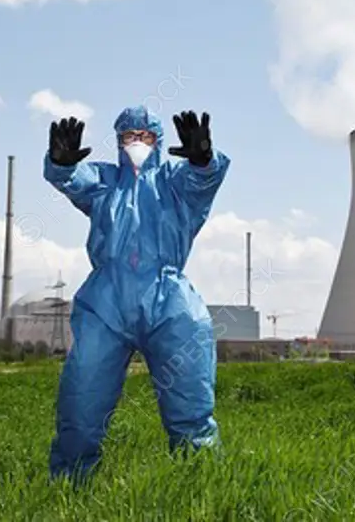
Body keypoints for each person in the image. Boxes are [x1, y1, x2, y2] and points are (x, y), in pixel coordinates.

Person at [44, 105, 231, 483]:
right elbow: (74, 180)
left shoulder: (175, 182)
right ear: (117, 142)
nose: (137, 143)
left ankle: (200, 488)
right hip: (106, 302)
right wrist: (61, 163)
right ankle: (69, 485)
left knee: (190, 403)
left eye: (145, 137)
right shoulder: (105, 180)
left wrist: (203, 158)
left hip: (170, 302)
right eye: (129, 137)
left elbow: (203, 181)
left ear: (159, 142)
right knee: (82, 397)